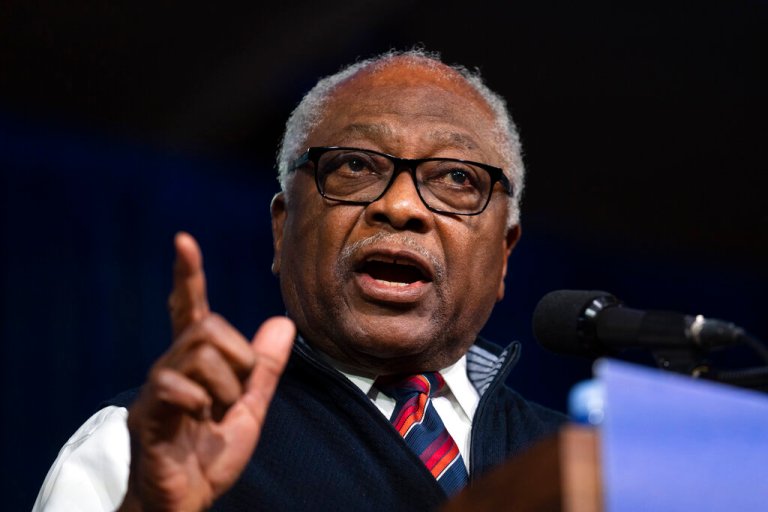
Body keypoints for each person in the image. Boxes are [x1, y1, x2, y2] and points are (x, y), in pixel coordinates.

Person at [33, 49, 565, 511]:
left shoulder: (592, 467)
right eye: (355, 165)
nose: (400, 206)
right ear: (282, 230)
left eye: (456, 178)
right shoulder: (134, 449)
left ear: (503, 255)